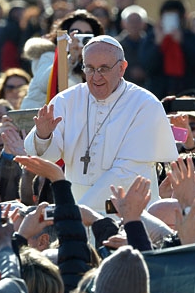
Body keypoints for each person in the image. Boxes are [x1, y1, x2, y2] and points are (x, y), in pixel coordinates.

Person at [24, 35, 178, 211]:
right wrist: (43, 136)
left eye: (103, 69)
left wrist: (79, 210)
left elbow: (128, 172)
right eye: (89, 68)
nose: (95, 77)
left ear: (122, 68)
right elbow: (48, 157)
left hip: (128, 211)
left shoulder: (145, 104)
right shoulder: (67, 100)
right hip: (78, 207)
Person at [21, 9, 104, 109]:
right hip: (39, 119)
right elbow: (45, 84)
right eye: (76, 33)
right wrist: (70, 59)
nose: (80, 39)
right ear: (66, 35)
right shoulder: (48, 55)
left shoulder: (96, 64)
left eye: (87, 35)